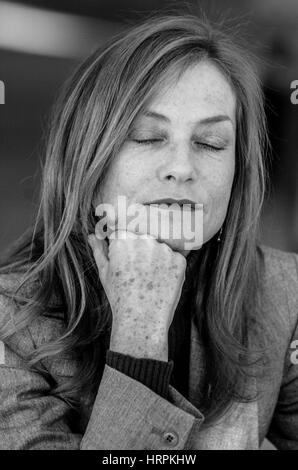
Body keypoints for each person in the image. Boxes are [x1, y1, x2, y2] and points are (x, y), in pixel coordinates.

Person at [0, 12, 297, 450]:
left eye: (210, 144)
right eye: (146, 137)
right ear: (87, 162)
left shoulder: (287, 292)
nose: (181, 168)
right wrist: (139, 337)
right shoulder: (9, 321)